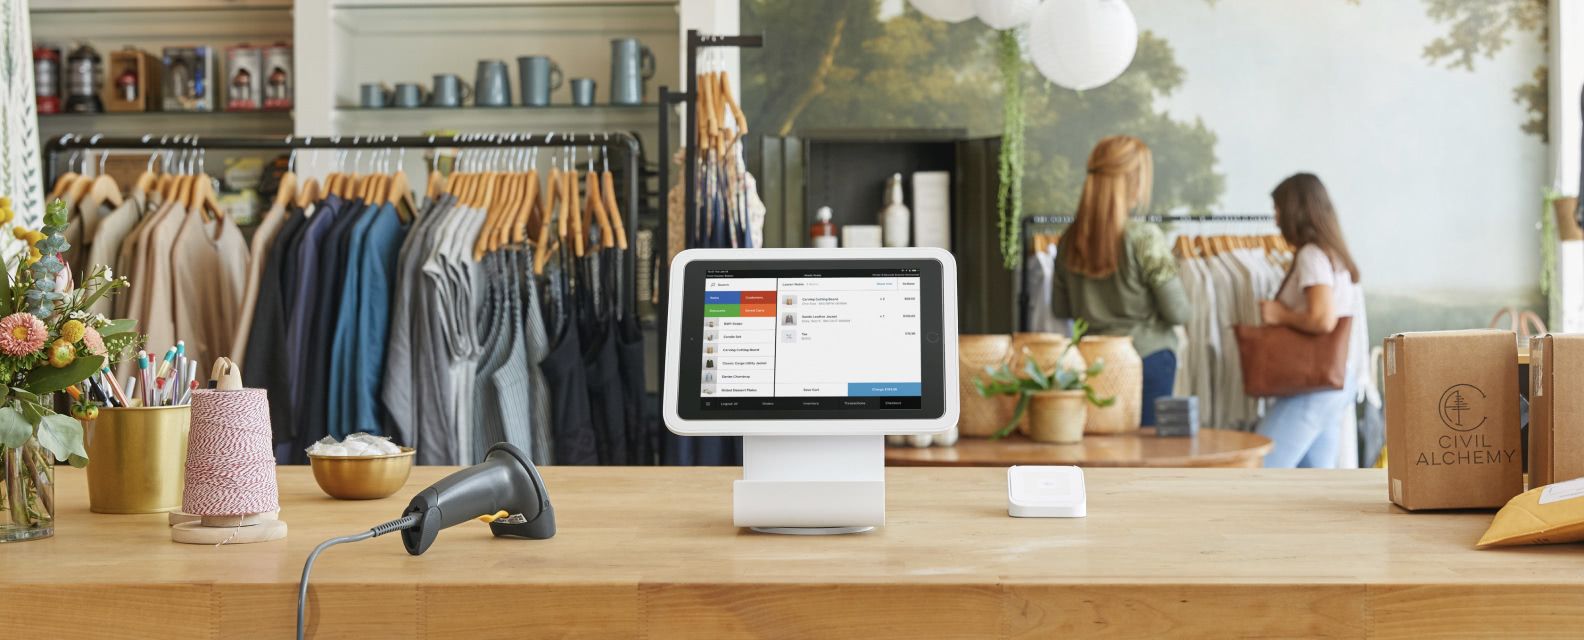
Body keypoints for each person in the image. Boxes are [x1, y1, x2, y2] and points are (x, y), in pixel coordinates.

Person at [1050, 135, 1190, 427]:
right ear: (1133, 181)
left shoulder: (1068, 241)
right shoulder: (1145, 238)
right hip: (1148, 360)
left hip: (1092, 362)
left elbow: (1061, 308)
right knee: (1146, 457)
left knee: (1102, 453)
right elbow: (1179, 312)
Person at [1256, 173, 1362, 468]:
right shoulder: (1334, 254)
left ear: (1295, 210)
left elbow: (1322, 319)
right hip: (1337, 379)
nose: (1275, 219)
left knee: (1259, 467)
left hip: (1313, 386)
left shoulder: (1311, 256)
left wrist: (1279, 314)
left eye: (1278, 209)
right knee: (1314, 480)